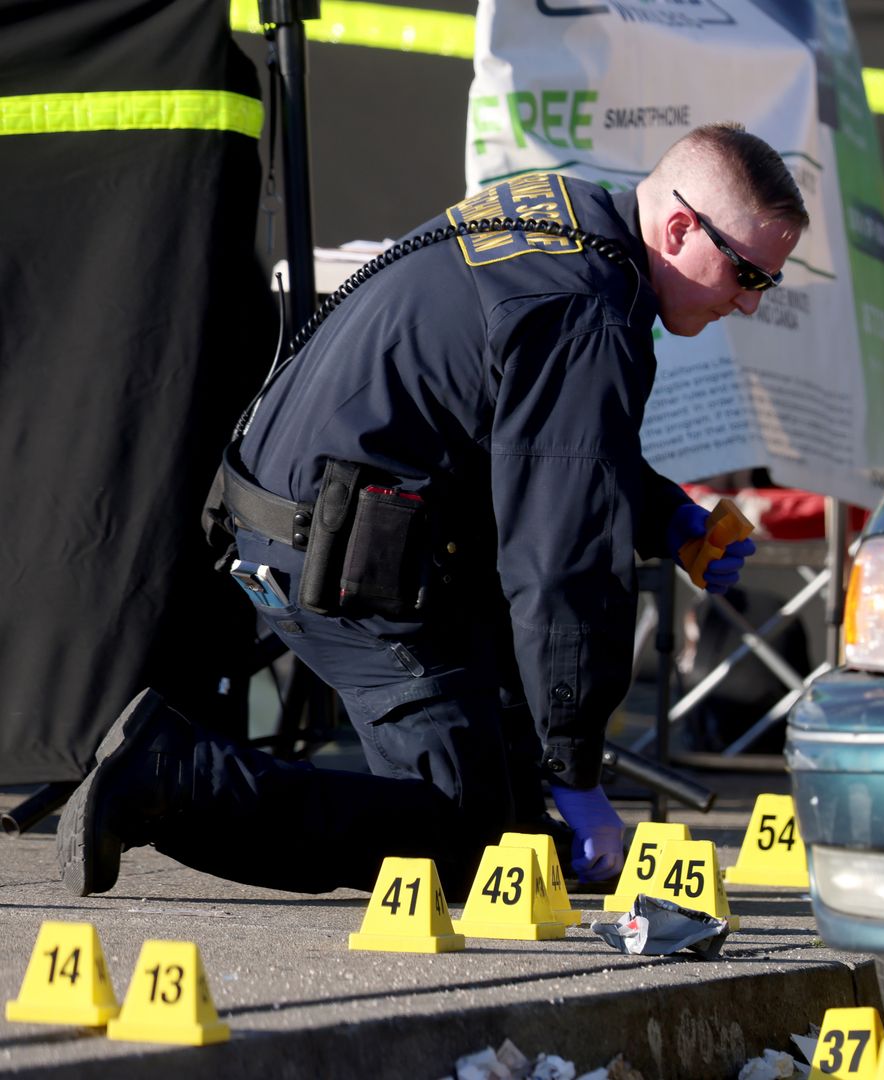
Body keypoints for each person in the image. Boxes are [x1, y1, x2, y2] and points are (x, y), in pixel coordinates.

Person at [57, 122, 807, 897]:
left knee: (521, 840)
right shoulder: (588, 306)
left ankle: (512, 820)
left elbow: (542, 450)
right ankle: (174, 776)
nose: (747, 303)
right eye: (746, 272)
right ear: (681, 227)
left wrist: (664, 516)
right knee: (466, 843)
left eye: (768, 283)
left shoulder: (560, 217)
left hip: (301, 514)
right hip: (341, 553)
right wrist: (580, 776)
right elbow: (564, 567)